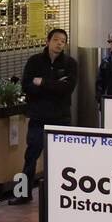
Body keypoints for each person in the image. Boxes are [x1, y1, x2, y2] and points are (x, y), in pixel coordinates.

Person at [11, 28, 78, 205]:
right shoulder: (34, 61)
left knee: (61, 158)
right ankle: (24, 193)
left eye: (63, 41)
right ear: (48, 41)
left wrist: (42, 83)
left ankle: (61, 194)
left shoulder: (70, 64)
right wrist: (53, 86)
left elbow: (67, 89)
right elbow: (27, 85)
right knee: (31, 156)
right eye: (56, 40)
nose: (59, 44)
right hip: (38, 116)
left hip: (61, 118)